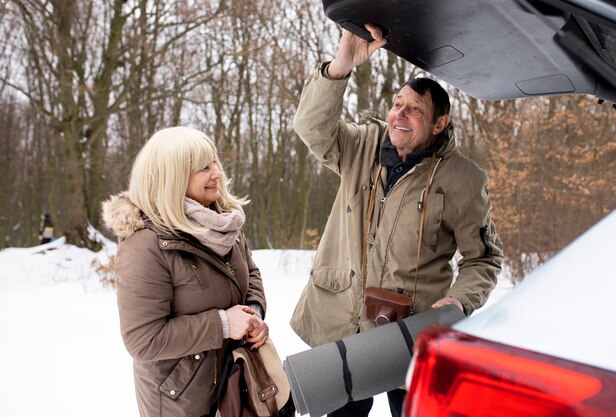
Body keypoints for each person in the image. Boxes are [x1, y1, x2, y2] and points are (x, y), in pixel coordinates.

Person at [290, 24, 503, 417]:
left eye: (415, 109)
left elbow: (484, 259)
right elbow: (310, 127)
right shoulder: (361, 145)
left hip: (408, 335)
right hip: (342, 321)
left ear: (440, 124)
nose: (399, 114)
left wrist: (459, 300)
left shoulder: (464, 180)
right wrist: (341, 64)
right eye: (397, 104)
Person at [102, 126, 269, 417]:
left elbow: (250, 272)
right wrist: (224, 325)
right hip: (182, 402)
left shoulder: (222, 221)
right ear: (173, 177)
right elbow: (143, 339)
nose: (217, 173)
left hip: (235, 388)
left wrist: (252, 312)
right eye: (204, 167)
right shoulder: (145, 243)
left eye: (214, 162)